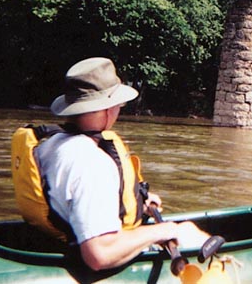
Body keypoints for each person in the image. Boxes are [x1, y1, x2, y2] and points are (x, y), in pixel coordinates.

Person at [13, 57, 210, 272]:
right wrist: (165, 230)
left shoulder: (49, 145)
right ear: (107, 109)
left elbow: (71, 199)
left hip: (59, 242)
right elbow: (99, 255)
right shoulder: (93, 164)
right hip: (86, 258)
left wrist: (138, 203)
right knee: (188, 231)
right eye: (119, 104)